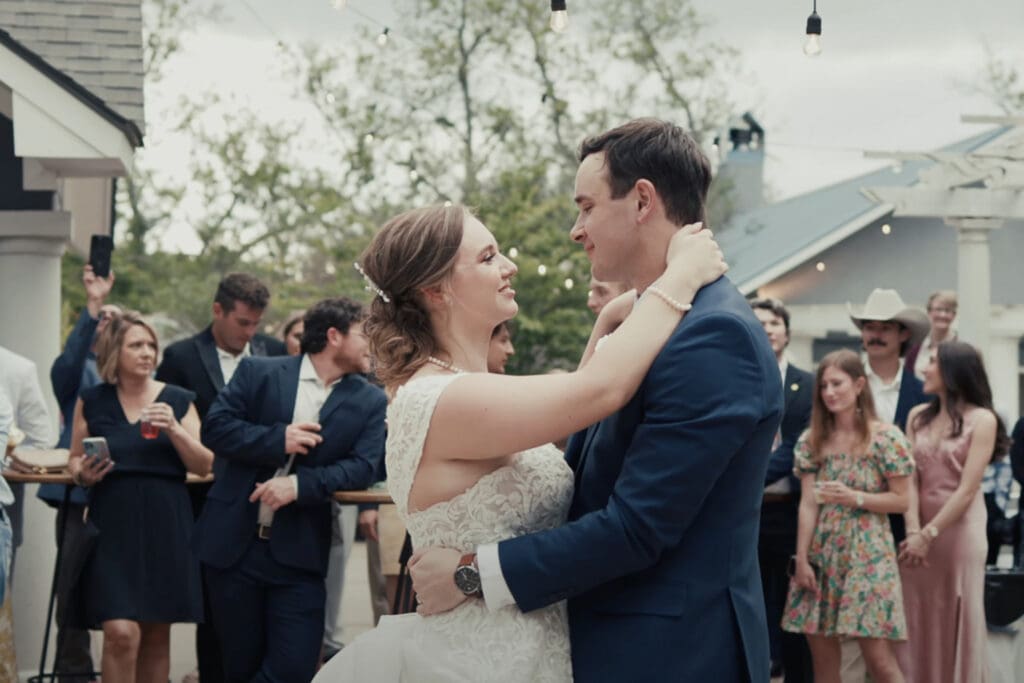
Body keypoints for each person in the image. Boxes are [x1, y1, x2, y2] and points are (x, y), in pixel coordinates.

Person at [322, 120, 770, 683]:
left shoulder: (711, 335)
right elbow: (598, 391)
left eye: (586, 206)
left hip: (645, 650)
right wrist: (673, 280)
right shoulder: (443, 397)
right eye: (488, 257)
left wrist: (619, 313)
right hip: (481, 657)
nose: (574, 230)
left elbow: (602, 453)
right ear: (435, 290)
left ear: (642, 201)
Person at [195, 297, 387, 683]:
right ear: (334, 336)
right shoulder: (259, 372)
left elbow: (364, 467)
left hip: (300, 552)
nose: (373, 343)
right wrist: (276, 439)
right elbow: (214, 428)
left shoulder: (370, 399)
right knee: (236, 667)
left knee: (294, 668)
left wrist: (300, 485)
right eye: (365, 333)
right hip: (234, 547)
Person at [155, 272, 287, 683]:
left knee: (269, 615)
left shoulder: (276, 352)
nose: (250, 333)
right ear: (217, 310)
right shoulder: (179, 357)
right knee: (214, 614)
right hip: (208, 502)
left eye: (256, 324)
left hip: (271, 501)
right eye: (242, 322)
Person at [67, 311, 213, 682]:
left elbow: (204, 465)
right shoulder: (92, 399)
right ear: (114, 351)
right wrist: (83, 473)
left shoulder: (177, 399)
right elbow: (74, 459)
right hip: (111, 523)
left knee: (156, 634)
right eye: (136, 345)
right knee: (120, 633)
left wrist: (175, 429)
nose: (147, 352)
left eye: (151, 345)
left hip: (166, 521)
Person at [781, 349, 913, 683]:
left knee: (879, 660)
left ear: (858, 385)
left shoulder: (885, 437)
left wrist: (855, 497)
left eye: (837, 383)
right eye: (823, 386)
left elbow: (902, 501)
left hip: (869, 554)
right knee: (824, 666)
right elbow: (808, 504)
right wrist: (802, 559)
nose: (829, 392)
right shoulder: (812, 440)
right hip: (822, 552)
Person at [896, 341, 1010, 683]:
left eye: (932, 362)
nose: (924, 369)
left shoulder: (983, 420)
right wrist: (913, 531)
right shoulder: (917, 416)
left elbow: (967, 489)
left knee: (957, 611)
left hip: (960, 533)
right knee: (916, 612)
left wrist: (929, 534)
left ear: (952, 371)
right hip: (917, 532)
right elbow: (909, 479)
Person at [43, 264, 119, 681]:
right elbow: (69, 361)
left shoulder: (147, 380)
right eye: (103, 322)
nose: (109, 328)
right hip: (78, 499)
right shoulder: (78, 375)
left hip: (127, 497)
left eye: (116, 324)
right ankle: (74, 674)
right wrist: (93, 306)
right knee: (71, 590)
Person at [751, 297, 813, 683]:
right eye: (759, 323)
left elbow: (796, 447)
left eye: (774, 323)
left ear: (786, 332)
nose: (768, 329)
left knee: (792, 605)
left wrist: (746, 478)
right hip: (745, 511)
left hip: (790, 509)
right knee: (754, 600)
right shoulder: (738, 375)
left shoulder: (807, 384)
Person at [847, 288, 929, 545]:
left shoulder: (924, 394)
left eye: (885, 328)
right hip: (850, 511)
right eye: (869, 327)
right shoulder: (841, 387)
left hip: (906, 514)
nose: (876, 335)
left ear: (904, 334)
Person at [905, 290, 957, 381]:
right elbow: (908, 381)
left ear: (954, 315)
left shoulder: (960, 347)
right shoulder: (915, 348)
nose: (943, 315)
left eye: (948, 310)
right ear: (929, 312)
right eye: (938, 309)